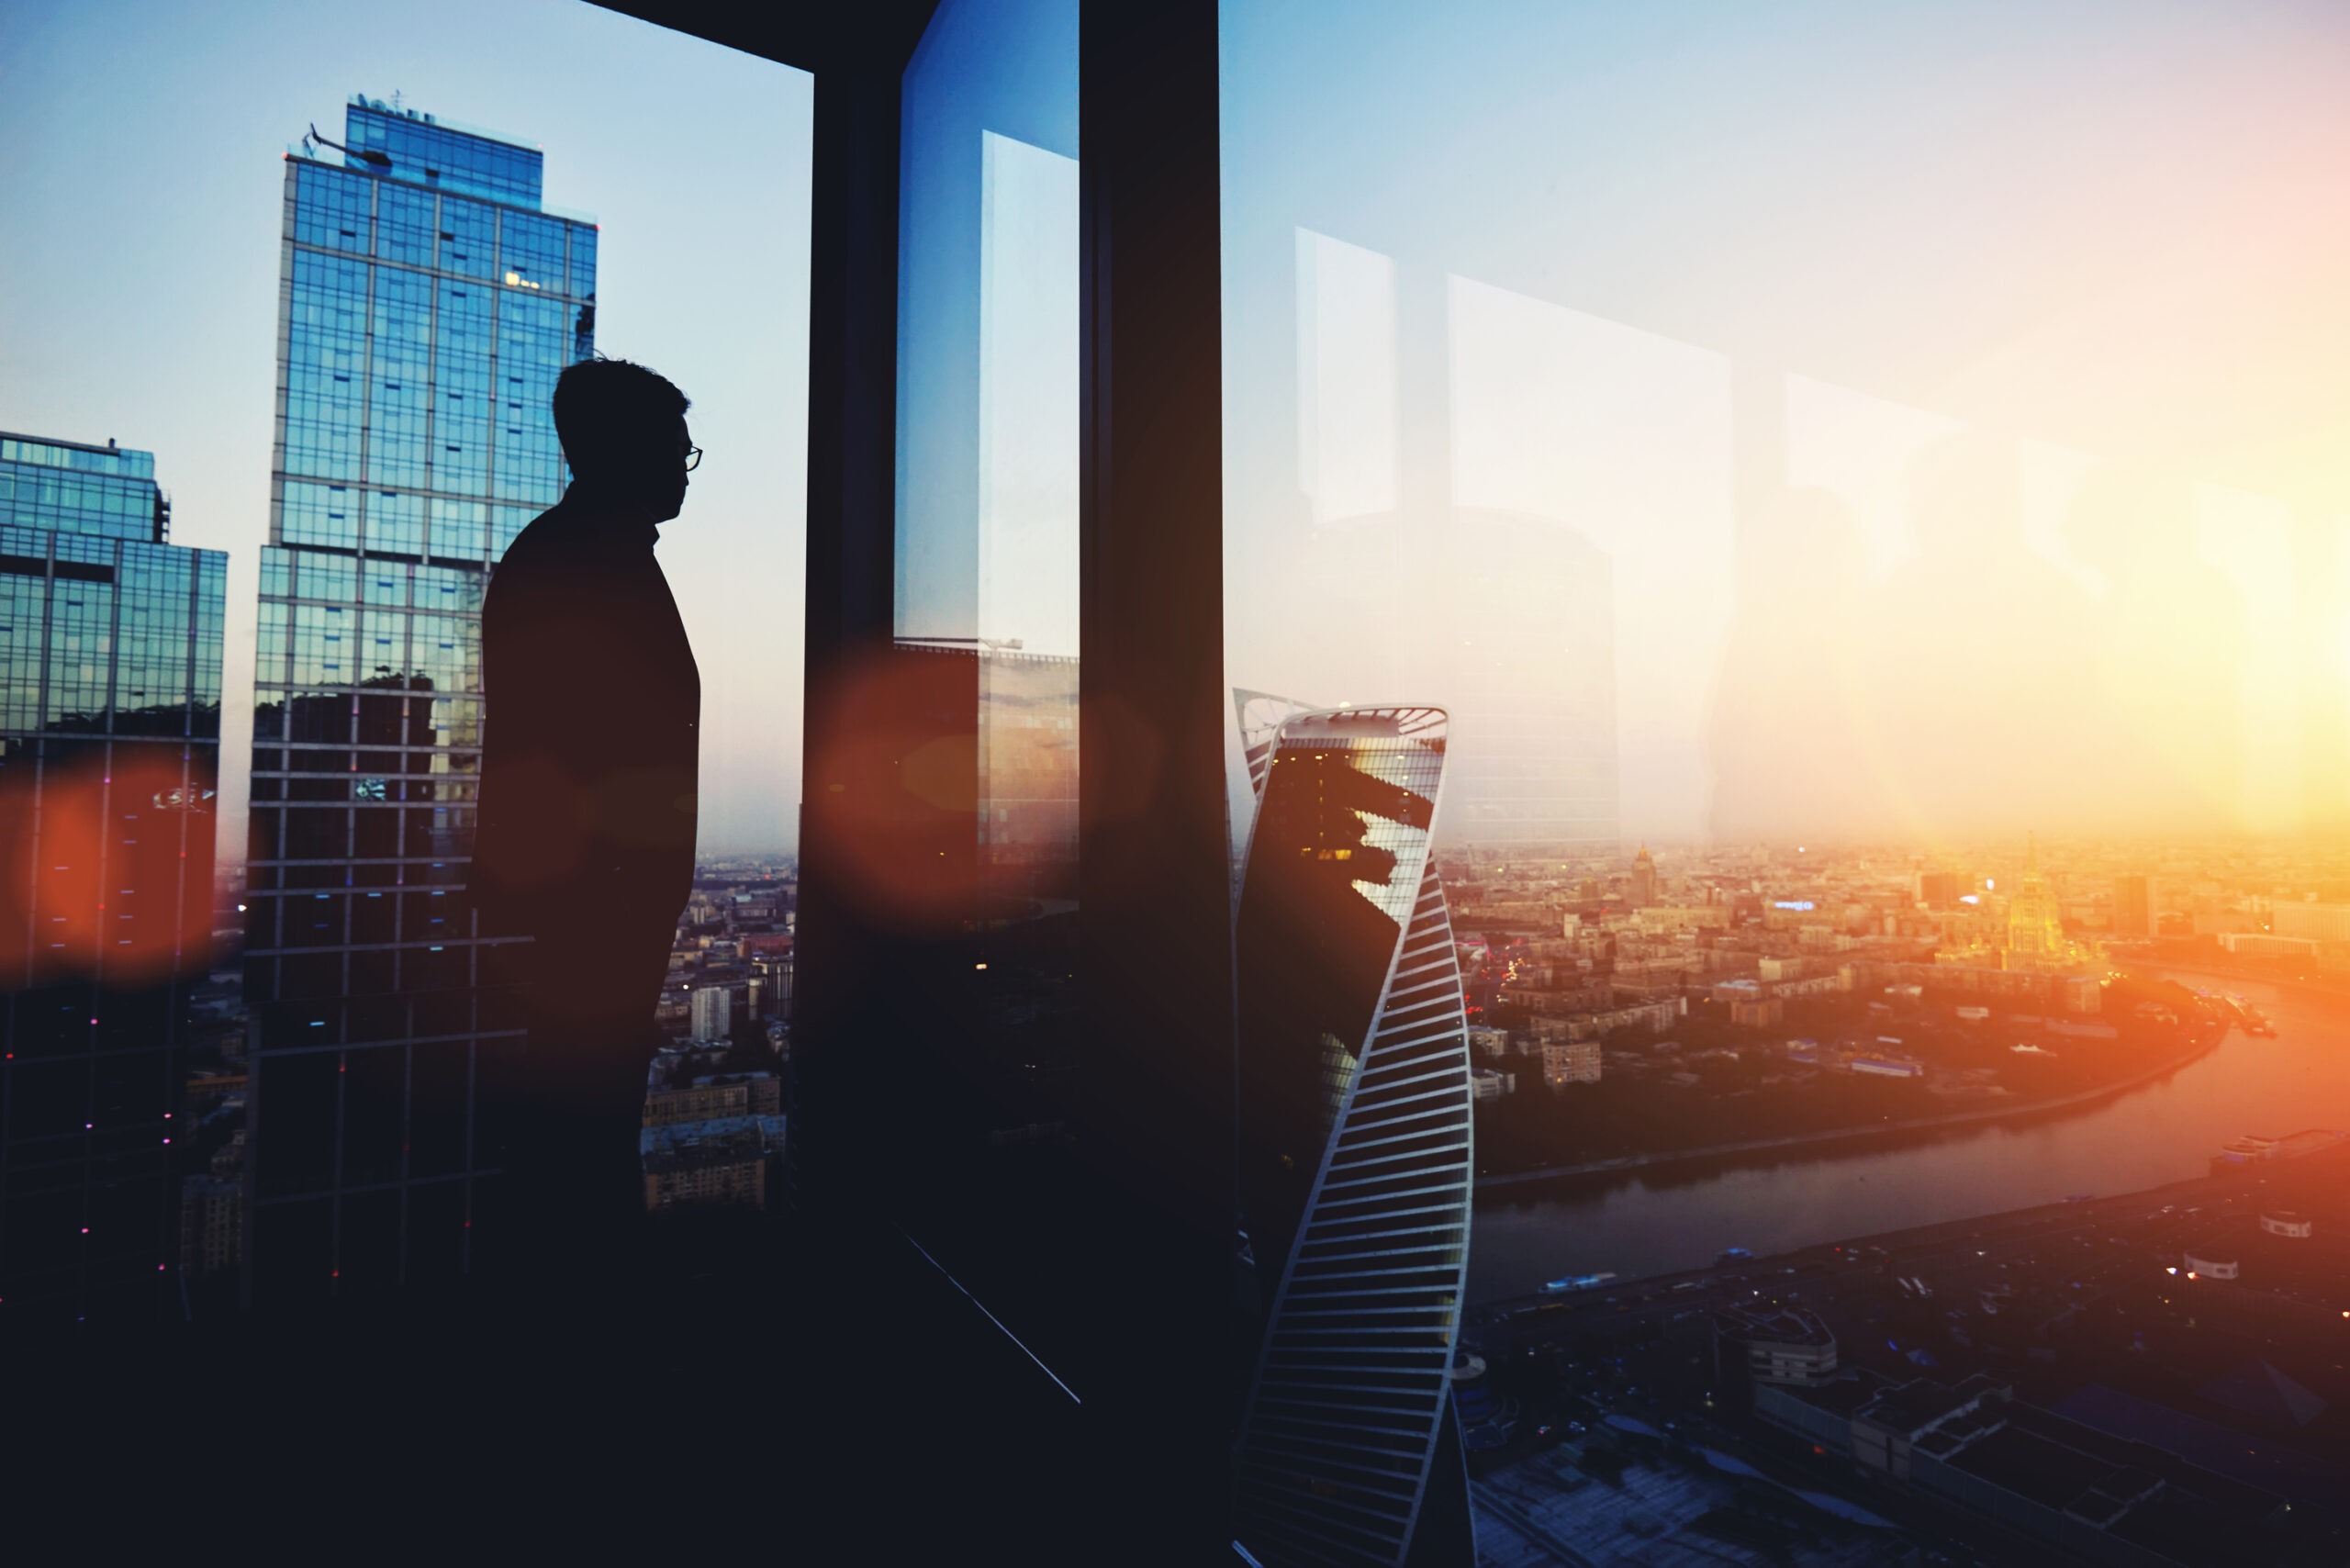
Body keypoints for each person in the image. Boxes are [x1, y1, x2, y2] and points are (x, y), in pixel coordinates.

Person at [471, 355, 700, 1283]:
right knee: (578, 1152)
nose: (685, 464)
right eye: (675, 448)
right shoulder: (581, 563)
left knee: (581, 1143)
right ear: (622, 451)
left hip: (588, 915)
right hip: (583, 921)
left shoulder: (580, 553)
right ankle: (586, 1341)